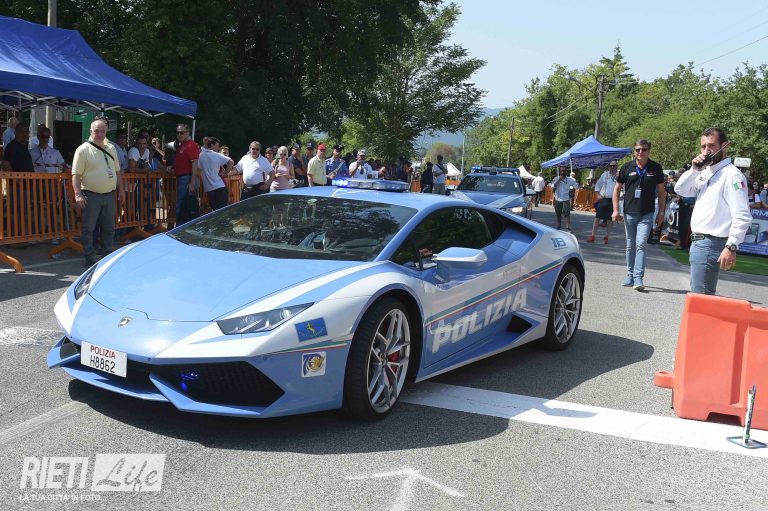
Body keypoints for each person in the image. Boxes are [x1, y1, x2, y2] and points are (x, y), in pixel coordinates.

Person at [674, 128, 751, 295]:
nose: (706, 150)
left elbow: (742, 215)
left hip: (711, 243)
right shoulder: (705, 171)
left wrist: (731, 245)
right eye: (703, 146)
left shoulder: (732, 175)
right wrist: (694, 170)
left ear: (724, 146)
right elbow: (680, 189)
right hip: (699, 242)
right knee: (700, 297)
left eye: (711, 145)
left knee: (701, 298)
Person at [71, 117, 125, 267]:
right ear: (91, 131)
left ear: (106, 132)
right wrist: (77, 194)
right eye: (96, 131)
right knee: (89, 228)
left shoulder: (111, 148)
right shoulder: (82, 150)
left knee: (109, 227)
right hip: (91, 195)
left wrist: (121, 190)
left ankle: (106, 256)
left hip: (109, 195)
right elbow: (76, 174)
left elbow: (117, 171)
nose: (100, 134)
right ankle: (89, 257)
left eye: (102, 131)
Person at [612, 139, 665, 291]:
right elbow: (617, 189)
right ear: (634, 151)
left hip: (647, 213)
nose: (640, 152)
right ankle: (629, 275)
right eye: (637, 149)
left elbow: (662, 192)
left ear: (649, 151)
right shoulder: (626, 167)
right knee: (630, 245)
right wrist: (615, 210)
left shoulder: (656, 167)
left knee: (641, 243)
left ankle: (638, 277)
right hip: (629, 212)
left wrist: (661, 212)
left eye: (644, 149)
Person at [172, 124, 200, 220]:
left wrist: (192, 183)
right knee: (182, 204)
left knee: (183, 205)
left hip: (186, 178)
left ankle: (181, 226)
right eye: (177, 133)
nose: (179, 135)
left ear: (187, 133)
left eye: (181, 132)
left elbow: (195, 164)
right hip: (182, 178)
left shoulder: (191, 145)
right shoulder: (183, 145)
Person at [197, 137, 233, 211]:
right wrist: (225, 173)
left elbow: (198, 169)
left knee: (216, 211)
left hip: (211, 189)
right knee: (220, 212)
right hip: (220, 187)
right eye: (217, 146)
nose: (218, 148)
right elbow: (231, 162)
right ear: (212, 145)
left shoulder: (201, 155)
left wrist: (202, 177)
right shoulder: (216, 155)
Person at [587, 161, 618, 243]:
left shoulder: (619, 175)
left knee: (610, 220)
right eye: (611, 166)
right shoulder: (604, 175)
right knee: (597, 217)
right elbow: (598, 185)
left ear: (617, 166)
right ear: (609, 167)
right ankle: (592, 236)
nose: (612, 167)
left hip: (613, 200)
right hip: (603, 199)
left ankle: (606, 237)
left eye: (614, 166)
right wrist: (598, 195)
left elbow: (623, 186)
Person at [551, 166, 578, 231]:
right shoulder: (556, 178)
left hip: (566, 199)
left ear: (566, 172)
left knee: (567, 214)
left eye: (564, 171)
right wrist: (559, 180)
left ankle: (568, 227)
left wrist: (572, 189)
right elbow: (553, 186)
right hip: (558, 199)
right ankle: (558, 226)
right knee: (558, 214)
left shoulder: (569, 179)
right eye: (561, 171)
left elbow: (576, 186)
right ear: (559, 172)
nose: (562, 172)